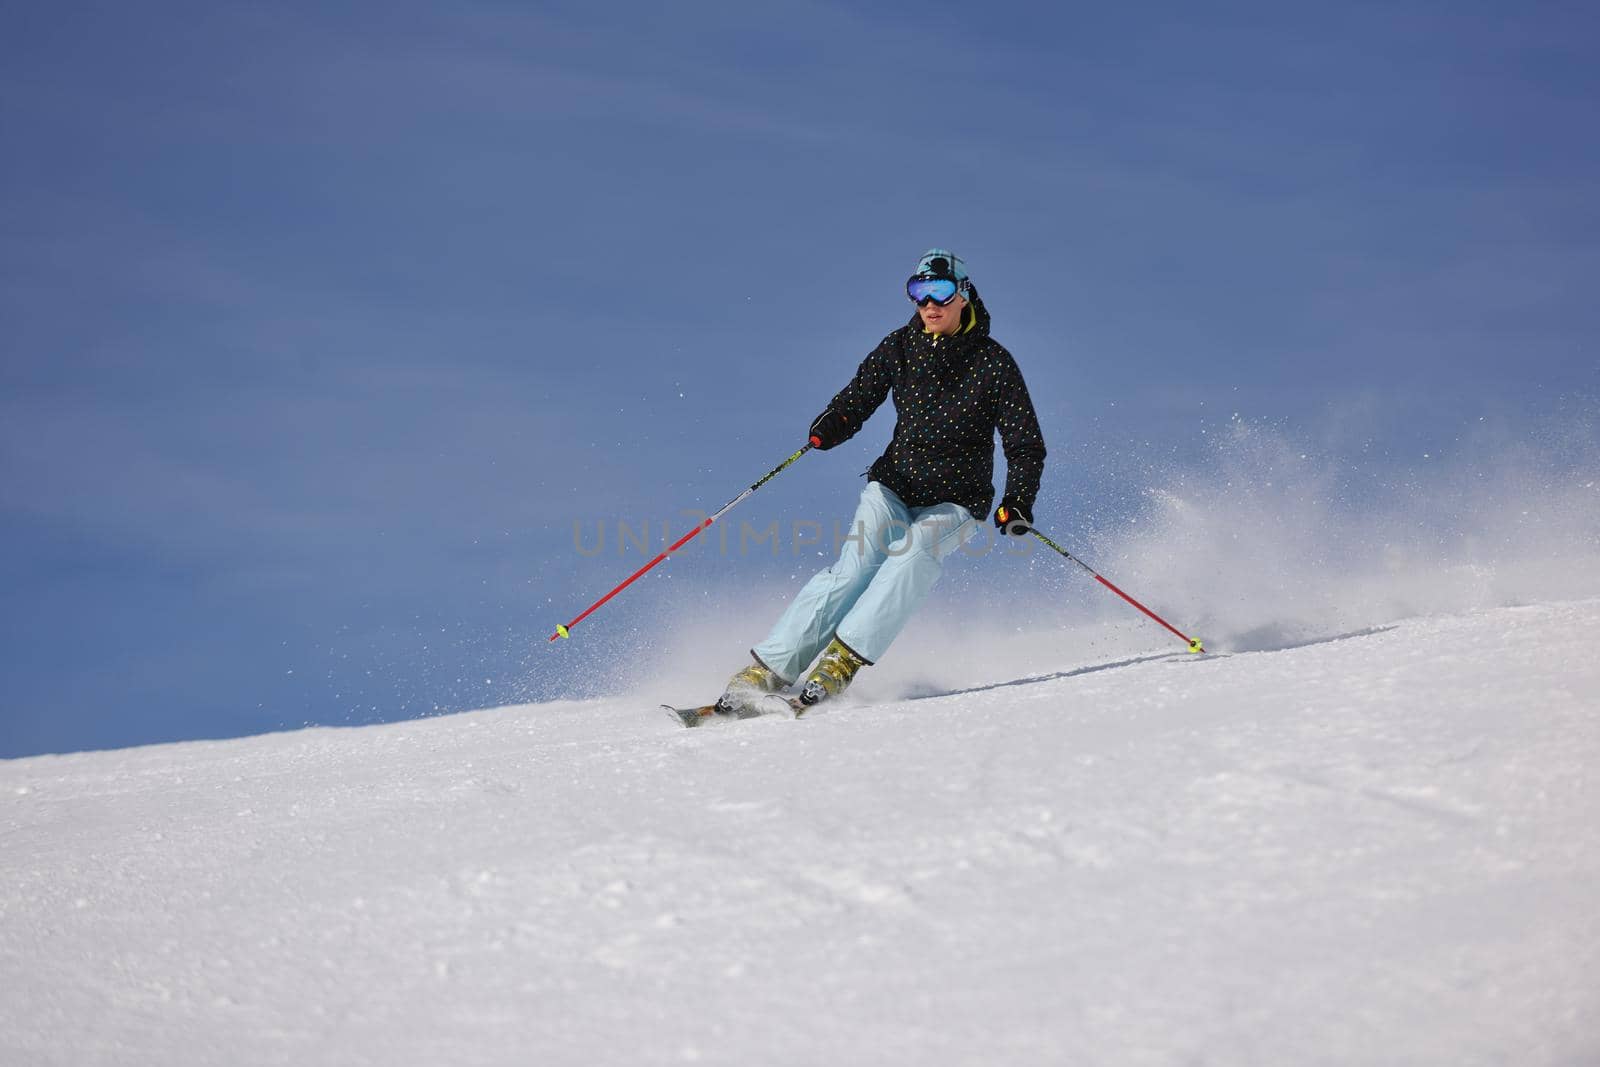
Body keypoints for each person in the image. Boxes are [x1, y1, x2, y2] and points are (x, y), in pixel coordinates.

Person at [716, 249, 1047, 715]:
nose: (929, 305)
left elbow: (1024, 442)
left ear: (964, 294)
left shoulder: (993, 363)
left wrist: (1018, 500)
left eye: (941, 293)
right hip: (894, 485)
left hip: (956, 502)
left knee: (912, 555)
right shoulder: (899, 346)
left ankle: (841, 661)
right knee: (854, 569)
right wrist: (831, 425)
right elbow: (859, 395)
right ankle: (769, 669)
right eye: (918, 294)